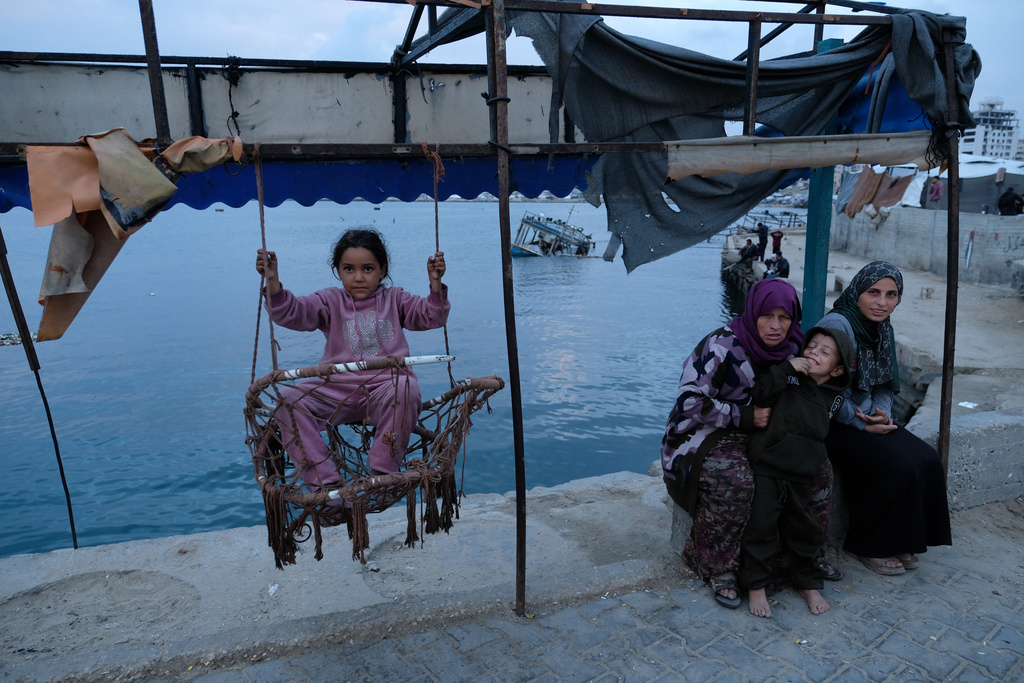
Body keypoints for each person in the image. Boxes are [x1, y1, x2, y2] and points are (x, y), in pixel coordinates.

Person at [661, 279, 837, 609]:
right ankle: (717, 566)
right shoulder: (722, 345)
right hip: (703, 434)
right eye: (767, 315)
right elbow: (688, 402)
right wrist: (745, 416)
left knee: (819, 470)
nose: (775, 326)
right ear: (752, 312)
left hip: (766, 433)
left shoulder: (794, 347)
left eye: (784, 317)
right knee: (736, 480)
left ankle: (806, 559)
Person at [255, 228, 449, 501]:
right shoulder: (330, 300)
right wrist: (272, 281)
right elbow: (292, 313)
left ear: (382, 270)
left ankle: (382, 475)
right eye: (348, 269)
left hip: (386, 388)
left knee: (408, 387)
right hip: (337, 389)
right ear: (338, 270)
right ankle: (325, 487)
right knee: (288, 399)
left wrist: (436, 284)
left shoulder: (396, 299)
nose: (358, 277)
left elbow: (432, 316)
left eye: (368, 269)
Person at [816, 261, 952, 575]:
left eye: (891, 295)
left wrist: (882, 413)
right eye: (873, 292)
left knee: (926, 459)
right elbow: (822, 389)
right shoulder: (838, 325)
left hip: (867, 417)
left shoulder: (881, 328)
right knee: (892, 465)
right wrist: (860, 421)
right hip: (832, 422)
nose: (882, 302)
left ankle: (903, 538)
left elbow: (886, 382)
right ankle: (866, 545)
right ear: (857, 292)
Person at [740, 327, 854, 618]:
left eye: (824, 352)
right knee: (762, 526)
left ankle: (808, 583)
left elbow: (824, 427)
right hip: (769, 465)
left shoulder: (834, 398)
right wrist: (786, 368)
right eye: (811, 347)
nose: (814, 352)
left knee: (805, 530)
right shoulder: (788, 377)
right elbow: (760, 393)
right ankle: (756, 585)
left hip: (802, 472)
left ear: (838, 369)